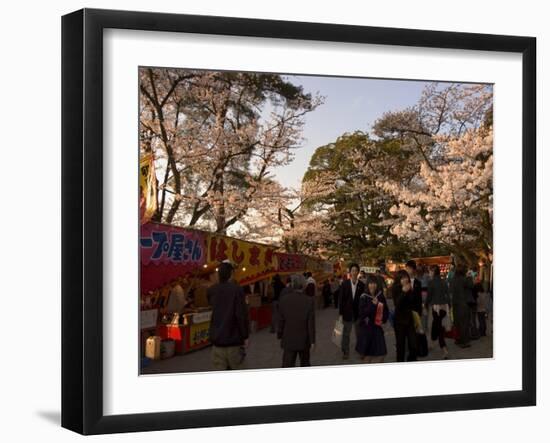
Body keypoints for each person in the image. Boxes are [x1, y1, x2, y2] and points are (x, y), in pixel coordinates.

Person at [208, 262, 249, 370]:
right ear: (231, 274)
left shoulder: (212, 290)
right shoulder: (237, 290)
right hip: (233, 340)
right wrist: (245, 336)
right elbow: (241, 314)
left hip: (217, 341)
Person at [277, 274, 316, 367]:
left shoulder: (284, 300)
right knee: (305, 363)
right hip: (304, 339)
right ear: (303, 285)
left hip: (288, 338)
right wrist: (312, 341)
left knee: (287, 365)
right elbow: (311, 324)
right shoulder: (309, 301)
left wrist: (280, 334)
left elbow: (281, 321)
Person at [356, 275, 389, 363]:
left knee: (381, 354)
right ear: (367, 284)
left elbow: (386, 310)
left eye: (374, 283)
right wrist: (373, 305)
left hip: (377, 329)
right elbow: (362, 314)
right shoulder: (364, 297)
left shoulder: (380, 296)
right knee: (368, 356)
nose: (372, 285)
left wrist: (384, 319)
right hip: (366, 330)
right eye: (370, 283)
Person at [339, 263, 365, 359]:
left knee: (359, 334)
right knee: (346, 334)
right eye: (352, 270)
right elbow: (341, 300)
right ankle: (345, 352)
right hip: (347, 314)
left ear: (358, 272)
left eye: (356, 270)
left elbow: (363, 300)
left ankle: (361, 351)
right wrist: (341, 314)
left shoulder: (362, 285)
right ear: (350, 272)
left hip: (358, 314)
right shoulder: (345, 284)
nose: (354, 272)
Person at [426, 265, 451, 359]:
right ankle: (432, 343)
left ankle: (444, 349)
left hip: (436, 308)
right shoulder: (444, 281)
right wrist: (449, 306)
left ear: (433, 272)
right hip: (444, 307)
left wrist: (425, 305)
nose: (429, 273)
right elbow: (447, 294)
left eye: (430, 271)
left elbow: (429, 296)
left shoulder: (431, 282)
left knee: (439, 328)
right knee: (435, 324)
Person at [393, 270, 417, 362]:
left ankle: (411, 360)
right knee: (400, 346)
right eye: (402, 278)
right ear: (399, 279)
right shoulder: (395, 288)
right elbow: (397, 304)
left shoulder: (410, 287)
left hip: (409, 320)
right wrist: (403, 292)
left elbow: (413, 303)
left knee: (413, 344)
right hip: (399, 322)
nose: (405, 279)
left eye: (406, 277)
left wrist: (410, 291)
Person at [449, 264, 474, 348]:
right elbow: (471, 286)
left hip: (455, 304)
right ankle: (465, 342)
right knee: (464, 323)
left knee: (457, 323)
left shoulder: (453, 280)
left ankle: (458, 339)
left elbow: (450, 291)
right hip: (463, 304)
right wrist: (469, 277)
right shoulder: (464, 279)